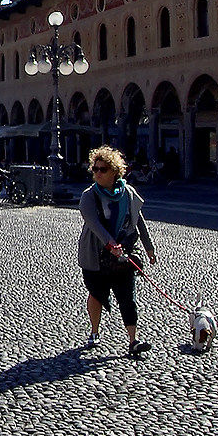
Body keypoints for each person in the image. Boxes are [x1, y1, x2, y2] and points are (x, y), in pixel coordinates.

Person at [78, 145, 155, 358]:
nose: (97, 173)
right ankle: (94, 331)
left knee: (127, 296)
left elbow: (138, 219)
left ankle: (133, 341)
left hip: (124, 253)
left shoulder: (128, 193)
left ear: (115, 171)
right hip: (96, 254)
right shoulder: (89, 196)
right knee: (97, 294)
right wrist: (111, 244)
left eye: (102, 169)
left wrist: (148, 247)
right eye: (95, 169)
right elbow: (94, 224)